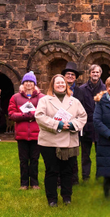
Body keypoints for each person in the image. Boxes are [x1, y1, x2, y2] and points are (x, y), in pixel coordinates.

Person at [35, 74, 87, 207]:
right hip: (49, 142)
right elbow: (39, 116)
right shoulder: (45, 100)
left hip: (69, 141)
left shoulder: (74, 101)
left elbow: (82, 116)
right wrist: (57, 124)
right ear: (52, 85)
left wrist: (71, 125)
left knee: (67, 171)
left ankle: (67, 197)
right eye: (57, 83)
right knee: (51, 171)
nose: (60, 85)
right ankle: (52, 199)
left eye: (63, 83)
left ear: (66, 85)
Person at [8, 72, 43, 190]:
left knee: (34, 160)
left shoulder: (41, 97)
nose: (28, 84)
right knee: (23, 160)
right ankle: (23, 183)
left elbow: (43, 112)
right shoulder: (15, 97)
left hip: (36, 134)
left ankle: (34, 183)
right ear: (23, 83)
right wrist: (26, 115)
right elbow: (11, 114)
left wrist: (32, 114)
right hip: (22, 135)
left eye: (31, 81)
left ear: (34, 84)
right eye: (26, 81)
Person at [72, 64, 105, 181]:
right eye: (93, 72)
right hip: (86, 125)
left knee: (100, 153)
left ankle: (99, 176)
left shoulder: (105, 89)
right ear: (89, 73)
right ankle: (86, 176)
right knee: (85, 154)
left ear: (100, 74)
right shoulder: (82, 89)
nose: (95, 74)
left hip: (100, 125)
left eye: (97, 72)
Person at [62, 61, 82, 184]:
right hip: (61, 126)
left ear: (75, 78)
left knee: (73, 154)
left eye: (72, 75)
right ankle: (60, 179)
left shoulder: (80, 92)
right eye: (68, 74)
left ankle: (74, 180)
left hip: (74, 126)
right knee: (60, 153)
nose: (70, 76)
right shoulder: (58, 89)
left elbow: (83, 110)